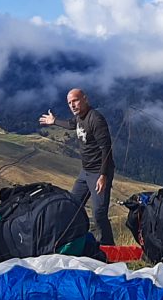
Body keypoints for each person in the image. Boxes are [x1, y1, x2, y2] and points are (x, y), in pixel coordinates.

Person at [39, 89, 116, 246]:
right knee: (72, 205)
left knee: (99, 213)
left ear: (85, 99)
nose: (72, 105)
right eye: (69, 103)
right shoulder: (79, 117)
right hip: (85, 172)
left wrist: (103, 176)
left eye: (75, 100)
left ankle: (108, 248)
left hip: (98, 173)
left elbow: (106, 148)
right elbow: (70, 124)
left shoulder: (95, 119)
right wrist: (54, 121)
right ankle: (76, 241)